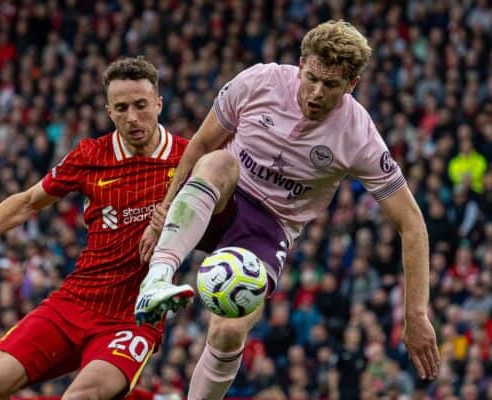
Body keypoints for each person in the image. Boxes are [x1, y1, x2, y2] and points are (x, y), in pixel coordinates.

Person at [134, 20, 440, 400]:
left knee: (229, 331)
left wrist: (416, 315)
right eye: (310, 77)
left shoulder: (358, 135)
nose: (315, 92)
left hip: (269, 229)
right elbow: (198, 146)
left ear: (352, 84)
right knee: (219, 163)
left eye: (330, 85)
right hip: (221, 196)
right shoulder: (258, 82)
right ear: (300, 64)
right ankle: (158, 279)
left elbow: (411, 224)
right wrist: (163, 213)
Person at [0, 57, 188, 400]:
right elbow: (27, 201)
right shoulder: (90, 155)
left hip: (134, 316)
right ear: (109, 112)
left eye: (141, 105)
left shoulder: (187, 159)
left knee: (80, 397)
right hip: (75, 301)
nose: (132, 117)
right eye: (121, 108)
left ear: (158, 103)